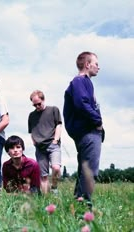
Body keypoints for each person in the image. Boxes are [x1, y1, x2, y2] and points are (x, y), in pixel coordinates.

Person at [63, 51, 105, 207]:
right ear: (87, 64)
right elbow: (81, 103)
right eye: (96, 63)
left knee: (84, 170)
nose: (98, 67)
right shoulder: (79, 81)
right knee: (90, 172)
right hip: (88, 132)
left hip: (88, 131)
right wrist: (98, 121)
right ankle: (84, 210)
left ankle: (77, 206)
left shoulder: (84, 82)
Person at [28, 90, 62, 194]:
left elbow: (59, 125)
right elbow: (31, 131)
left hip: (53, 145)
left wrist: (55, 140)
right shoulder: (31, 115)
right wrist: (34, 142)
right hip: (40, 148)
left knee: (56, 168)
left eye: (39, 104)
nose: (37, 106)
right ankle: (46, 200)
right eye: (34, 105)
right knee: (43, 176)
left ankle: (54, 187)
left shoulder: (53, 110)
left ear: (43, 100)